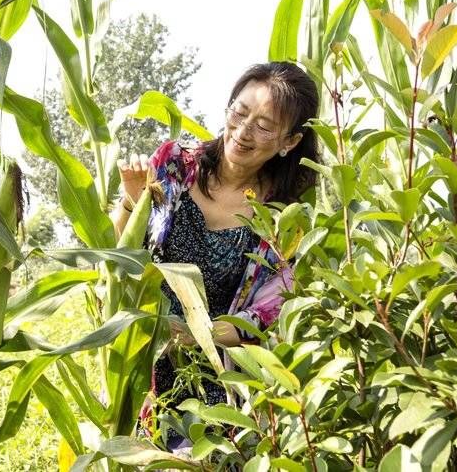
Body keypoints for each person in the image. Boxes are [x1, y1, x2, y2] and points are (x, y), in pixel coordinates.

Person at [113, 61, 320, 449]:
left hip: (218, 385)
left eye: (263, 126)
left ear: (288, 142)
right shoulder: (174, 164)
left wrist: (189, 336)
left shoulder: (282, 220)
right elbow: (121, 255)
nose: (242, 132)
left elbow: (263, 318)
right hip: (143, 367)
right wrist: (131, 199)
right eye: (239, 113)